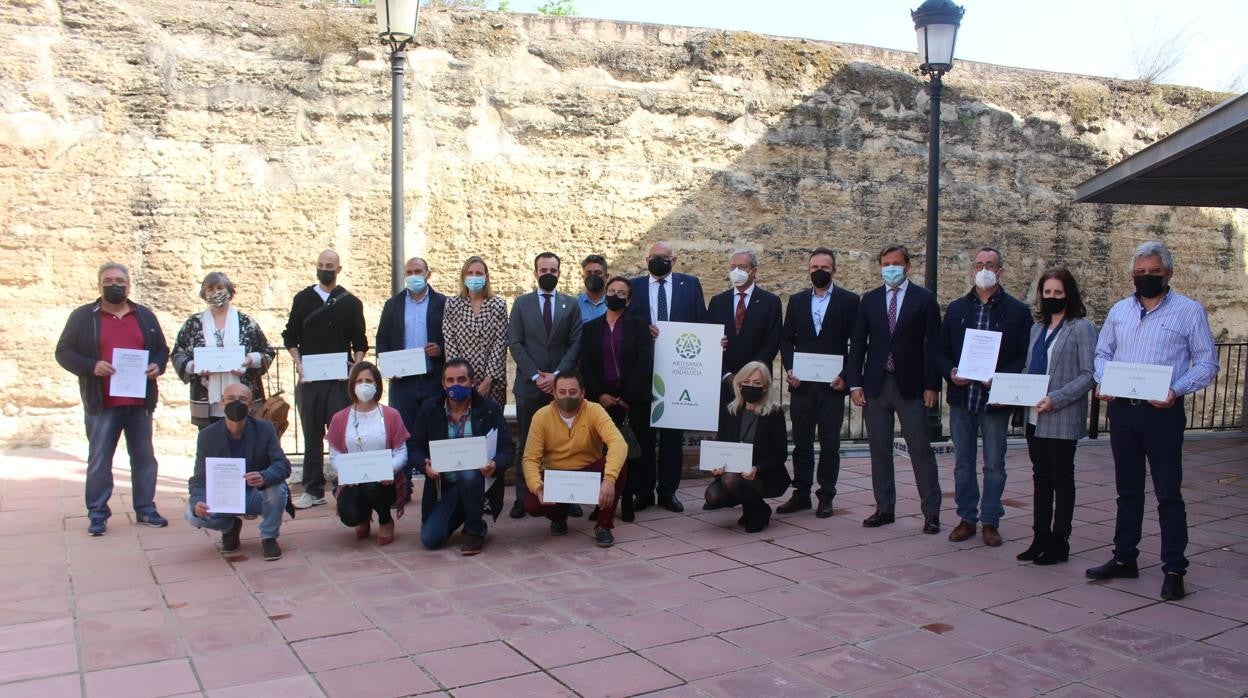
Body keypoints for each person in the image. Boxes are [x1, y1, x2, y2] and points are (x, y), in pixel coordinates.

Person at [1086, 241, 1218, 601]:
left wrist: (1176, 389)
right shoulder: (1119, 311)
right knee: (1127, 491)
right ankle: (1124, 557)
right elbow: (1103, 352)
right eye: (1140, 273)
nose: (1146, 279)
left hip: (1162, 412)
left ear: (1169, 274)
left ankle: (1174, 567)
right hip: (1124, 411)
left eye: (1153, 273)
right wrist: (1103, 380)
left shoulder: (1189, 312)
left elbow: (1207, 363)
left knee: (1168, 493)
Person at [56, 262, 170, 537]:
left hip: (139, 402)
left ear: (128, 285)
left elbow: (161, 350)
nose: (114, 285)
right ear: (99, 285)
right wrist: (91, 365)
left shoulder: (144, 316)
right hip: (102, 402)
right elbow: (64, 352)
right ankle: (97, 513)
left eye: (120, 280)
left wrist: (157, 366)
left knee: (144, 458)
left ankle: (145, 508)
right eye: (108, 281)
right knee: (100, 459)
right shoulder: (84, 317)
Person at [935, 247, 1031, 548]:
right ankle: (966, 518)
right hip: (963, 398)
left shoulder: (1017, 311)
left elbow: (1023, 356)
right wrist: (950, 372)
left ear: (1000, 270)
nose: (984, 269)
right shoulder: (957, 309)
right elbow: (940, 350)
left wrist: (1002, 379)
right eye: (979, 264)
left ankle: (990, 520)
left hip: (994, 400)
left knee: (994, 464)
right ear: (972, 270)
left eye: (990, 264)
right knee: (963, 463)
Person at [847, 244, 943, 533]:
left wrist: (932, 384)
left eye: (896, 263)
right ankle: (884, 507)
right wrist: (855, 382)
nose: (891, 267)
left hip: (911, 386)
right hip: (876, 384)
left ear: (907, 266)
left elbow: (933, 345)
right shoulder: (870, 300)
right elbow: (858, 344)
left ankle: (931, 512)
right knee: (879, 449)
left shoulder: (924, 299)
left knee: (920, 449)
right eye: (886, 263)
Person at [1017, 268, 1097, 566]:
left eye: (1058, 293)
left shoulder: (1081, 328)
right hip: (1034, 415)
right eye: (1047, 293)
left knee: (1061, 478)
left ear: (1069, 295)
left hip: (1061, 415)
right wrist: (1013, 389)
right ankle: (1039, 535)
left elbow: (1089, 374)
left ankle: (1059, 539)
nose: (1052, 298)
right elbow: (1029, 368)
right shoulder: (1037, 329)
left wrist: (1057, 398)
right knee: (1040, 478)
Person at [281, 249, 368, 510]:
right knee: (311, 434)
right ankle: (313, 488)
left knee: (342, 435)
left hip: (340, 381)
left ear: (338, 269)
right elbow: (290, 336)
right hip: (310, 381)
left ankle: (347, 484)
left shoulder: (351, 302)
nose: (324, 269)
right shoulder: (303, 299)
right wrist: (299, 364)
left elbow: (359, 340)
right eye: (320, 265)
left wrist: (357, 365)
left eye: (329, 265)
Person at [778, 247, 860, 518]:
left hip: (832, 387)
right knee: (801, 443)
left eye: (825, 268)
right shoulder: (798, 300)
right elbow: (786, 338)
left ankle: (826, 495)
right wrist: (790, 367)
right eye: (814, 268)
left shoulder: (849, 301)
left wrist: (847, 377)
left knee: (830, 445)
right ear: (808, 270)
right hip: (802, 385)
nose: (819, 272)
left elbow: (857, 345)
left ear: (834, 270)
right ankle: (801, 493)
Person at [629, 241, 708, 513]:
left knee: (673, 435)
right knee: (644, 434)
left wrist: (713, 345)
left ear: (674, 260)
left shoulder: (690, 284)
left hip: (677, 371)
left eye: (664, 258)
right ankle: (644, 491)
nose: (659, 261)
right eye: (654, 257)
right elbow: (626, 323)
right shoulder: (635, 286)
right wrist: (642, 330)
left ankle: (668, 491)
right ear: (646, 259)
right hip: (644, 370)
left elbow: (701, 324)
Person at [408, 359, 515, 555]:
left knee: (468, 474)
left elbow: (507, 449)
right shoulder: (430, 409)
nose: (456, 385)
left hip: (478, 482)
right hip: (444, 485)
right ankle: (466, 511)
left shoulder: (489, 409)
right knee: (430, 539)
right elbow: (414, 447)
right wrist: (425, 465)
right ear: (443, 384)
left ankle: (474, 529)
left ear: (472, 382)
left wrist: (494, 464)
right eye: (450, 380)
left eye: (462, 379)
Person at [508, 252, 583, 519]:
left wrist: (557, 377)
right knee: (527, 443)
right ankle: (521, 497)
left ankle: (567, 497)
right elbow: (515, 342)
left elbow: (576, 342)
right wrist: (536, 376)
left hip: (561, 388)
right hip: (530, 387)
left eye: (553, 269)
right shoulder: (521, 303)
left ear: (560, 273)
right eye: (543, 269)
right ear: (535, 272)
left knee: (564, 441)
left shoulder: (571, 304)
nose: (548, 273)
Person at [185, 383, 290, 561]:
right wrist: (197, 502)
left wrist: (264, 476)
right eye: (231, 399)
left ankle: (269, 537)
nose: (236, 403)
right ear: (221, 404)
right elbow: (199, 479)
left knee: (277, 490)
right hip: (225, 496)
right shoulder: (207, 436)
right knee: (192, 515)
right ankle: (230, 527)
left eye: (242, 400)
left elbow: (282, 465)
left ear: (250, 407)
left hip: (256, 495)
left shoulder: (265, 429)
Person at [522, 371, 628, 547]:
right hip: (556, 475)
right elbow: (530, 458)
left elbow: (618, 443)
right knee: (532, 504)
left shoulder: (594, 410)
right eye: (562, 392)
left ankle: (603, 525)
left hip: (588, 472)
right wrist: (537, 486)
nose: (567, 396)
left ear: (582, 392)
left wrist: (609, 479)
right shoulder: (541, 416)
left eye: (573, 392)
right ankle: (558, 517)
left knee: (620, 466)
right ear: (554, 393)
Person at [580, 276, 653, 521]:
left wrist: (626, 397)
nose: (615, 295)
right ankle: (602, 503)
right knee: (601, 452)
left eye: (622, 293)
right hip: (601, 401)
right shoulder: (590, 328)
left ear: (629, 299)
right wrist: (600, 394)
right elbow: (586, 365)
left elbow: (645, 363)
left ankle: (628, 501)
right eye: (611, 290)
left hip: (631, 401)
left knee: (629, 452)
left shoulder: (639, 325)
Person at [171, 272, 275, 429]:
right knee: (212, 446)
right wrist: (195, 367)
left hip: (243, 397)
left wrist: (249, 360)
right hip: (207, 400)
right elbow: (177, 353)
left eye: (220, 287)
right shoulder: (193, 324)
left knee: (246, 444)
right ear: (204, 293)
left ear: (229, 291)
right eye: (210, 289)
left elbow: (267, 351)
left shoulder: (246, 322)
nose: (215, 292)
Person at [327, 362, 410, 546]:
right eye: (359, 381)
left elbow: (401, 451)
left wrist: (390, 469)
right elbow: (335, 454)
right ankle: (361, 516)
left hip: (384, 482)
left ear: (377, 385)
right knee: (349, 516)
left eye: (369, 381)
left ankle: (385, 519)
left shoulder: (391, 415)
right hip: (353, 482)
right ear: (352, 385)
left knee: (373, 487)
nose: (364, 385)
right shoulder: (339, 418)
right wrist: (345, 473)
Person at [703, 362, 791, 532]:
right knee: (712, 496)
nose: (751, 386)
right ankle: (756, 507)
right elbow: (722, 445)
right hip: (734, 472)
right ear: (739, 383)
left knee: (730, 480)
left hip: (763, 474)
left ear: (765, 387)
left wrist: (757, 468)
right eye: (747, 381)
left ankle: (758, 510)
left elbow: (781, 454)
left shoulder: (774, 413)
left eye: (757, 383)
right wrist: (717, 465)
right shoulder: (731, 410)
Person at [376, 256, 446, 429]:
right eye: (409, 272)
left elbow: (453, 338)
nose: (413, 275)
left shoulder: (443, 303)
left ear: (428, 274)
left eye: (418, 272)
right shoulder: (393, 305)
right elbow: (382, 340)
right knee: (403, 432)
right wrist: (388, 368)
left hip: (433, 379)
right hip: (402, 383)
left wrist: (441, 349)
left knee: (434, 430)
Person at [707, 249, 782, 410]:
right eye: (733, 267)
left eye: (741, 267)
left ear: (753, 271)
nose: (736, 272)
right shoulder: (717, 302)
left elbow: (772, 342)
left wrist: (750, 375)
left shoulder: (770, 302)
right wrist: (726, 375)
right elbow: (709, 341)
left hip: (756, 383)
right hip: (724, 382)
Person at [443, 256, 509, 406]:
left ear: (486, 277)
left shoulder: (498, 305)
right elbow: (450, 342)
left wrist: (488, 380)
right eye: (470, 273)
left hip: (492, 382)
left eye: (478, 273)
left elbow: (500, 344)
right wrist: (461, 378)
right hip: (461, 383)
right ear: (463, 276)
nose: (474, 277)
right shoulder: (452, 305)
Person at [577, 254, 609, 322]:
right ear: (583, 277)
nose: (593, 276)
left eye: (598, 273)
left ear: (606, 277)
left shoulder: (614, 303)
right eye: (588, 273)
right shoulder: (574, 305)